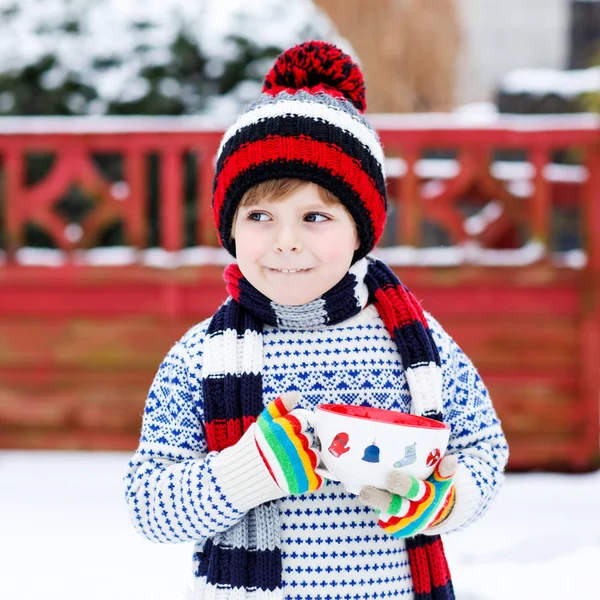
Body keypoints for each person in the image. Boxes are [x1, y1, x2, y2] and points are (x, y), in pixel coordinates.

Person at [124, 41, 508, 600]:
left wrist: (444, 500)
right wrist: (249, 470)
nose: (285, 242)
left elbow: (482, 451)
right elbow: (151, 504)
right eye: (259, 215)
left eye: (315, 216)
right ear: (229, 227)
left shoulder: (414, 341)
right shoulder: (200, 356)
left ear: (361, 230)